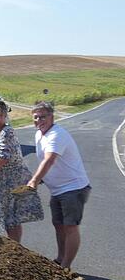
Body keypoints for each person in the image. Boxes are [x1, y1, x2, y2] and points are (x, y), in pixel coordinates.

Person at [26, 101, 91, 269]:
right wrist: (39, 179)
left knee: (70, 226)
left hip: (73, 188)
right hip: (57, 189)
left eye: (43, 117)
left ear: (52, 117)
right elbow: (45, 162)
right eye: (36, 117)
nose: (39, 120)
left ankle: (66, 266)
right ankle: (60, 259)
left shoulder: (57, 135)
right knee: (58, 225)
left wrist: (34, 180)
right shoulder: (39, 134)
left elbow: (49, 160)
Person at [0, 101, 43, 242]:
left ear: (5, 115)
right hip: (1, 180)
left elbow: (2, 159)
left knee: (12, 217)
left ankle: (16, 248)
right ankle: (13, 247)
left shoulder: (7, 132)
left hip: (13, 179)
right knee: (4, 215)